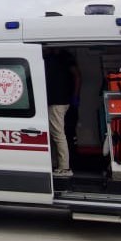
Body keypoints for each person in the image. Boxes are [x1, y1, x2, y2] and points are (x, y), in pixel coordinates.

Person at [44, 48, 80, 176]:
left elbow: (77, 76)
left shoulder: (65, 58)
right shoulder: (53, 58)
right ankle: (55, 164)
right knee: (54, 134)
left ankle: (64, 167)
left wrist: (75, 96)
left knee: (58, 134)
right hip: (57, 101)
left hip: (58, 101)